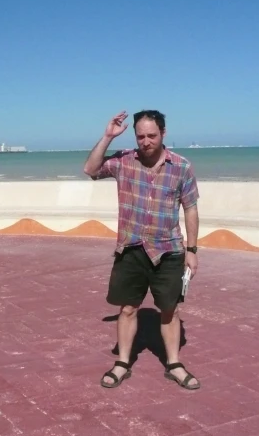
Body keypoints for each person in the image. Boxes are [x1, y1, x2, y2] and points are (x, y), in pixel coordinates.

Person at [83, 109, 201, 390]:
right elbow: (90, 169)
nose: (146, 141)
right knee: (127, 309)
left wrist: (192, 250)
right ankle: (123, 362)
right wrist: (108, 137)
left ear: (163, 133)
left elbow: (191, 208)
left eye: (152, 135)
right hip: (131, 249)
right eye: (141, 136)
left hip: (169, 251)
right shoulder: (123, 161)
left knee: (170, 311)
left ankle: (173, 363)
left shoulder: (182, 167)